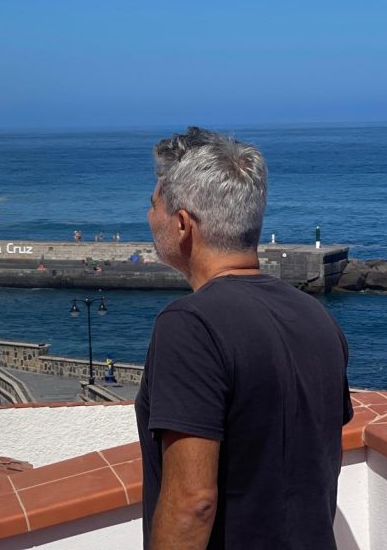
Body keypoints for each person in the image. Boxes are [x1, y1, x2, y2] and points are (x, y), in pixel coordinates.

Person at [136, 127, 351, 550]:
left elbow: (192, 502)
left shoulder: (190, 325)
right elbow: (319, 461)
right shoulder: (316, 316)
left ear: (182, 224)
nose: (148, 216)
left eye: (153, 204)